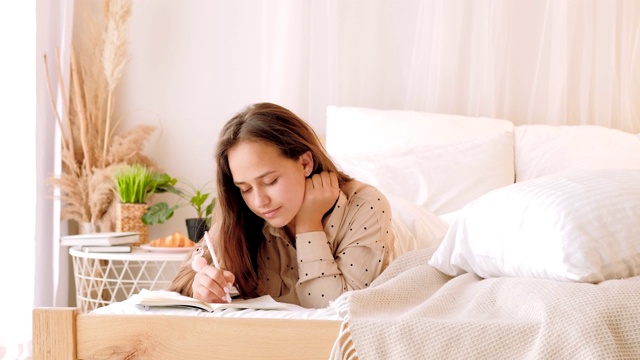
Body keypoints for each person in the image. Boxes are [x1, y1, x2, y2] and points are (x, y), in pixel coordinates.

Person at [169, 102, 397, 308]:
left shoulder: (366, 206)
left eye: (270, 182)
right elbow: (181, 280)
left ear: (305, 163)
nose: (259, 202)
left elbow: (335, 311)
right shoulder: (241, 211)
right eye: (245, 188)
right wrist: (201, 286)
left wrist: (309, 225)